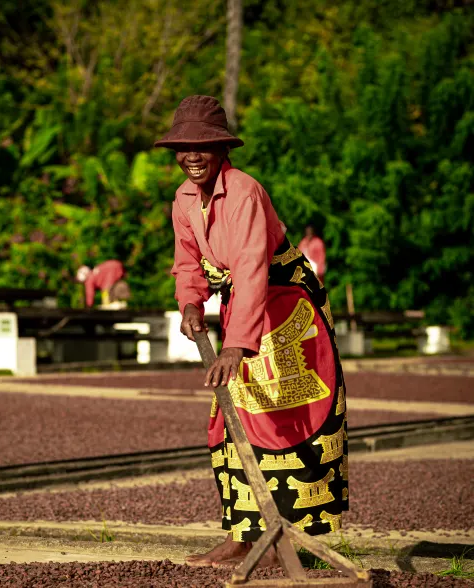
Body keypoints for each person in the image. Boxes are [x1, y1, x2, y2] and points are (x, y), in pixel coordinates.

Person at [155, 95, 347, 568]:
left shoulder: (243, 191)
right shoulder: (183, 198)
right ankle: (242, 535)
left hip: (286, 308)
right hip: (244, 304)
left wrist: (237, 345)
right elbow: (186, 263)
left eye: (203, 146)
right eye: (183, 147)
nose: (192, 156)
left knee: (295, 418)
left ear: (223, 149)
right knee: (232, 413)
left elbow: (251, 267)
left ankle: (295, 542)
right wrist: (191, 304)